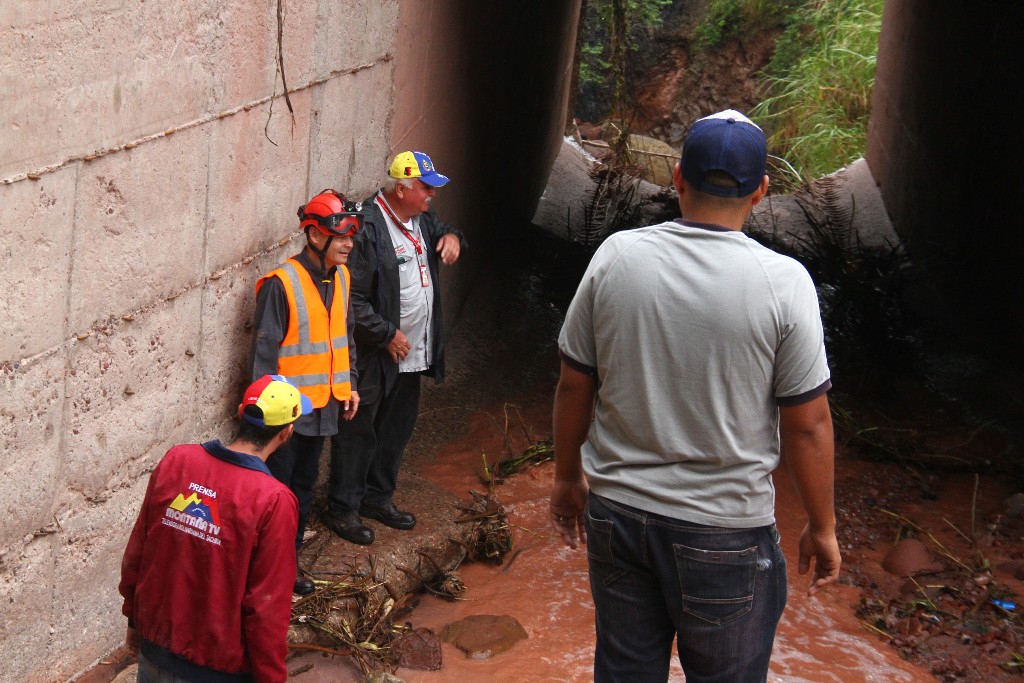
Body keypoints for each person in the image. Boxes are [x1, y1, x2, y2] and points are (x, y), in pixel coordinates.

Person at [549, 110, 841, 683]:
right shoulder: (784, 283)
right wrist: (821, 525)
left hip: (620, 517)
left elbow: (572, 382)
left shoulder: (616, 257)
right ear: (761, 190)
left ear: (678, 177)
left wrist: (566, 476)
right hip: (725, 533)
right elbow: (807, 424)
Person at [119, 374, 311, 683]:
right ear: (287, 433)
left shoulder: (177, 461)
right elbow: (267, 606)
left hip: (155, 651)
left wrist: (133, 620)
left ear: (239, 412)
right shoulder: (274, 500)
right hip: (218, 669)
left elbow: (137, 554)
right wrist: (271, 677)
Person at [325, 151, 466, 545]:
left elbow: (447, 229)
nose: (431, 195)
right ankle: (344, 508)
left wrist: (453, 237)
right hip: (378, 353)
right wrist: (385, 333)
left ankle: (378, 497)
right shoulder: (368, 227)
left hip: (414, 352)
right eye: (425, 187)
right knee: (359, 431)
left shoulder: (421, 218)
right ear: (401, 188)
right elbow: (350, 297)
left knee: (395, 429)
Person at [250, 189, 361, 594]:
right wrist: (270, 421)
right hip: (286, 417)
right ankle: (272, 570)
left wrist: (349, 387)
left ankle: (289, 564)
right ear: (315, 236)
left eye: (353, 234)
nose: (349, 243)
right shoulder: (282, 284)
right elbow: (263, 356)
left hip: (324, 407)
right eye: (342, 234)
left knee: (302, 487)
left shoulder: (343, 278)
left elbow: (344, 338)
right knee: (277, 493)